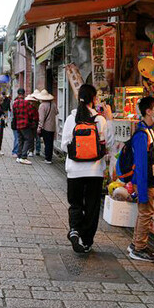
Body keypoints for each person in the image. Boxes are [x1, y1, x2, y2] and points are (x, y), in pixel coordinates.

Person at [61, 83, 114, 253]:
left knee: (75, 204)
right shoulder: (100, 120)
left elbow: (64, 146)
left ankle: (75, 230)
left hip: (74, 172)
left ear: (79, 98)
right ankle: (87, 241)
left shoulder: (71, 119)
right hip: (95, 172)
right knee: (91, 207)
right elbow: (110, 144)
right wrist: (110, 118)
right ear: (94, 99)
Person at [127, 96, 154, 263]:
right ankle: (139, 248)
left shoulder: (148, 131)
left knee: (144, 213)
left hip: (147, 180)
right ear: (149, 111)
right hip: (144, 181)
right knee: (146, 213)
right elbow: (140, 165)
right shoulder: (142, 134)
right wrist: (141, 190)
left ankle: (137, 244)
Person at [14, 93, 40, 165]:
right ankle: (23, 157)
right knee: (28, 139)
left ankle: (19, 156)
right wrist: (32, 122)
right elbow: (32, 115)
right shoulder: (29, 105)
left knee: (20, 140)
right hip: (26, 125)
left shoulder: (15, 103)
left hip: (18, 124)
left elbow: (14, 114)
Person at [36, 89, 59, 164]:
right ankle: (50, 157)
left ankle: (47, 159)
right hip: (52, 126)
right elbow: (57, 112)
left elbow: (41, 118)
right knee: (50, 142)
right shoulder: (53, 104)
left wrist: (39, 127)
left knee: (47, 143)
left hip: (46, 127)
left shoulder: (42, 106)